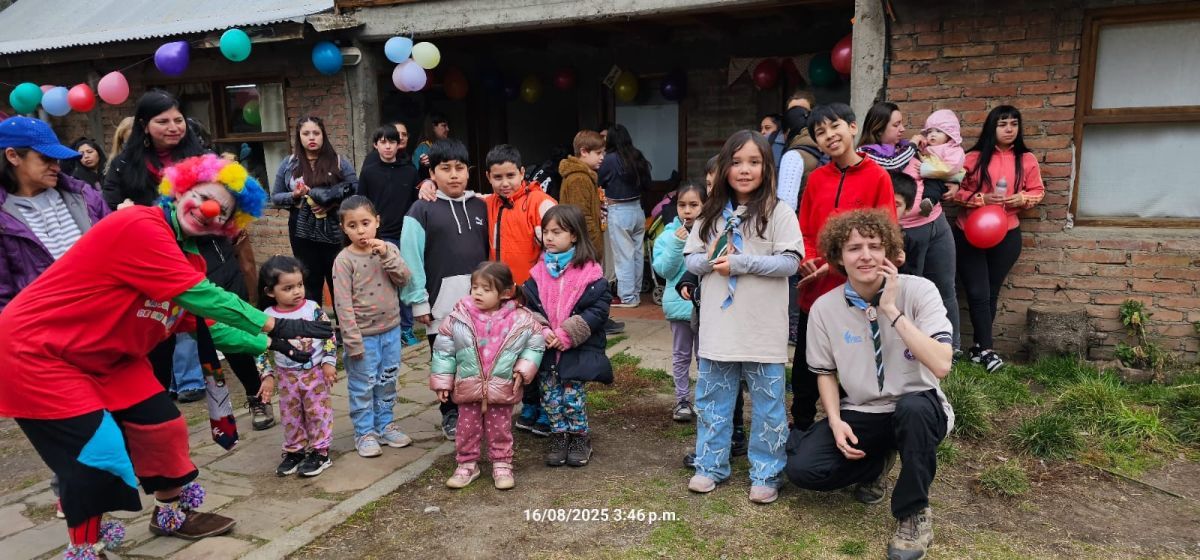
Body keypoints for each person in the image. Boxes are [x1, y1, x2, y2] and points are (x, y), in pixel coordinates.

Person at [0, 153, 331, 555]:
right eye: (205, 197)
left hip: (109, 358)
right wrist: (274, 324)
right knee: (97, 454)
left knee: (164, 429)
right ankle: (84, 549)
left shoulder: (187, 257)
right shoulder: (139, 224)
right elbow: (199, 296)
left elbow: (199, 322)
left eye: (223, 214)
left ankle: (170, 514)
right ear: (181, 189)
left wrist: (268, 343)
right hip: (39, 353)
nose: (209, 212)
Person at [785, 209, 954, 560]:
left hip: (919, 405)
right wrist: (834, 420)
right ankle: (877, 462)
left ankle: (913, 512)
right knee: (803, 469)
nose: (865, 255)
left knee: (913, 409)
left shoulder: (920, 291)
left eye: (875, 246)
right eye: (853, 248)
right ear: (838, 257)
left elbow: (940, 364)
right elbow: (824, 372)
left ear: (890, 252)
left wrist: (891, 309)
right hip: (864, 410)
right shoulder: (824, 308)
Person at [683, 130, 802, 505]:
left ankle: (767, 471)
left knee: (768, 403)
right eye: (736, 162)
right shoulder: (710, 213)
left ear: (767, 167)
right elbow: (691, 258)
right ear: (724, 167)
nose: (744, 170)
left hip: (762, 327)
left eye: (754, 162)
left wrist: (742, 263)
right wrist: (709, 263)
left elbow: (790, 262)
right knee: (713, 398)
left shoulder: (779, 212)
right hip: (720, 327)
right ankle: (711, 465)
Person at [793, 103, 898, 433]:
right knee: (806, 365)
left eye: (834, 126)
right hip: (815, 291)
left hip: (858, 290)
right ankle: (803, 426)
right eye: (819, 133)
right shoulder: (816, 180)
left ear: (853, 128)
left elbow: (886, 234)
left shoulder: (877, 176)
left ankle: (859, 425)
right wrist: (807, 259)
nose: (828, 136)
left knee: (858, 359)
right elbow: (806, 230)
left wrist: (838, 266)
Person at [400, 139, 489, 442]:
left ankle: (477, 405)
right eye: (445, 169)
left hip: (480, 303)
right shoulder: (420, 209)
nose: (453, 175)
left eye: (460, 168)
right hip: (440, 305)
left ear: (469, 172)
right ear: (432, 173)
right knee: (445, 360)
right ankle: (450, 413)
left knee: (478, 357)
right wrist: (418, 302)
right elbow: (410, 257)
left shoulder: (480, 204)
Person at [859, 103, 962, 356]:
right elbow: (892, 164)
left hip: (936, 225)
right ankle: (909, 348)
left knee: (946, 287)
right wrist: (913, 148)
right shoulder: (869, 155)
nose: (903, 129)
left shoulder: (909, 149)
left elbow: (940, 167)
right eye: (896, 124)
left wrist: (954, 183)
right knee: (908, 290)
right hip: (905, 233)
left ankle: (952, 348)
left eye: (902, 123)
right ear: (878, 128)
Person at [433, 261, 546, 490]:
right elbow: (444, 350)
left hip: (502, 386)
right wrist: (443, 381)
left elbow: (535, 343)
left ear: (505, 292)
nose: (478, 293)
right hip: (468, 386)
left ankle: (502, 463)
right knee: (466, 428)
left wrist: (523, 370)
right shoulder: (459, 317)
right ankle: (467, 464)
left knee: (500, 429)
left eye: (486, 289)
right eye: (475, 287)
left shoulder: (520, 319)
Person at [952, 105, 1045, 372]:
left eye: (1014, 124)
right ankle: (988, 350)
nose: (1009, 129)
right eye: (1003, 124)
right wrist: (981, 199)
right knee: (977, 291)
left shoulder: (1026, 159)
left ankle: (980, 349)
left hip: (1007, 232)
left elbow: (1038, 191)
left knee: (991, 293)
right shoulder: (972, 157)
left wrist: (1023, 198)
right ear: (992, 127)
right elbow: (953, 192)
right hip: (969, 231)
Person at [522, 205, 612, 468]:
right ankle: (558, 435)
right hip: (548, 348)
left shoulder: (589, 273)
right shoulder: (538, 272)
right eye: (546, 232)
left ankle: (579, 437)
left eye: (557, 232)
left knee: (572, 398)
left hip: (575, 348)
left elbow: (597, 309)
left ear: (574, 235)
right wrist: (545, 331)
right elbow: (530, 306)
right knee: (550, 397)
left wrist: (567, 334)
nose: (549, 237)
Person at [0, 117, 110, 311]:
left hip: (106, 316)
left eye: (57, 160)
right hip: (46, 332)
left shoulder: (85, 196)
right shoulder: (4, 219)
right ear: (13, 156)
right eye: (46, 159)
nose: (57, 167)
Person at [333, 195, 413, 458]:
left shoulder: (388, 250)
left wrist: (387, 253)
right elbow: (343, 305)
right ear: (344, 228)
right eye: (353, 225)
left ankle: (385, 424)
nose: (360, 230)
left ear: (377, 222)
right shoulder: (344, 261)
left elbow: (403, 278)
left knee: (387, 380)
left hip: (390, 330)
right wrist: (352, 340)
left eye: (365, 223)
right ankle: (364, 432)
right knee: (363, 385)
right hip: (363, 336)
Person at [260, 256, 338, 477]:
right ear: (270, 291)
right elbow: (259, 347)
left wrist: (328, 362)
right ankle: (295, 450)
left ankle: (321, 452)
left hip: (314, 373)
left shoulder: (313, 309)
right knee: (290, 414)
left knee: (317, 412)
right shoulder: (267, 317)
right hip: (286, 376)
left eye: (299, 285)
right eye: (288, 288)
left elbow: (328, 336)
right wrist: (267, 374)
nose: (297, 291)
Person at [270, 115, 358, 305]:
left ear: (323, 135)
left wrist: (331, 202)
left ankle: (345, 329)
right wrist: (293, 196)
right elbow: (275, 196)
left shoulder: (339, 162)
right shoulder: (289, 163)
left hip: (333, 226)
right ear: (299, 136)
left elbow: (355, 190)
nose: (312, 137)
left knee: (338, 277)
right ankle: (316, 328)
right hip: (302, 229)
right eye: (306, 133)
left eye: (316, 133)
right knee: (309, 279)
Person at [358, 123, 421, 347]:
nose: (387, 146)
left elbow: (417, 204)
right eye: (383, 142)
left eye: (392, 141)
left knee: (406, 280)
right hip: (380, 237)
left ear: (399, 144)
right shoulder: (368, 173)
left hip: (405, 235)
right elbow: (361, 205)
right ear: (376, 144)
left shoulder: (409, 171)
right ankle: (385, 329)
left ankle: (406, 328)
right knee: (382, 283)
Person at [560, 130, 624, 337]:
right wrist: (592, 247)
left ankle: (598, 319)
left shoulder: (584, 177)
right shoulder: (578, 178)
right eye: (599, 153)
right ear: (583, 152)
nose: (602, 157)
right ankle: (595, 321)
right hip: (584, 246)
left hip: (584, 245)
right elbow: (582, 217)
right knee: (589, 289)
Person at [651, 183, 706, 422]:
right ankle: (682, 400)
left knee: (704, 356)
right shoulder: (667, 236)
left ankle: (705, 400)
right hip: (679, 307)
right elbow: (664, 270)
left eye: (694, 205)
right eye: (682, 205)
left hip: (705, 306)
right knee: (681, 355)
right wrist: (676, 243)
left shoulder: (710, 233)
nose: (687, 210)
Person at [103, 90, 206, 210]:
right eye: (162, 122)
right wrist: (122, 210)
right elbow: (109, 204)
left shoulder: (203, 160)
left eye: (178, 120)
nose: (173, 128)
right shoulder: (123, 164)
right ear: (144, 125)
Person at [599, 124, 652, 308]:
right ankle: (635, 294)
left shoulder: (610, 159)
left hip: (619, 210)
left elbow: (601, 180)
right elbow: (648, 182)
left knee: (624, 257)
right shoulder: (636, 155)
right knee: (637, 254)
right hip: (638, 209)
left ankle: (628, 297)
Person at [908, 109, 966, 217]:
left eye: (938, 131)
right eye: (930, 132)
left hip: (944, 178)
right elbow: (922, 157)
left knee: (933, 185)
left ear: (949, 135)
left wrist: (925, 169)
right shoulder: (928, 147)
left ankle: (929, 203)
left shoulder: (952, 150)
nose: (933, 135)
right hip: (931, 175)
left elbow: (950, 168)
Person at [412, 112, 450, 177]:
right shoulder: (423, 148)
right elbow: (416, 176)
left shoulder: (446, 146)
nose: (448, 129)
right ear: (432, 127)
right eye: (444, 125)